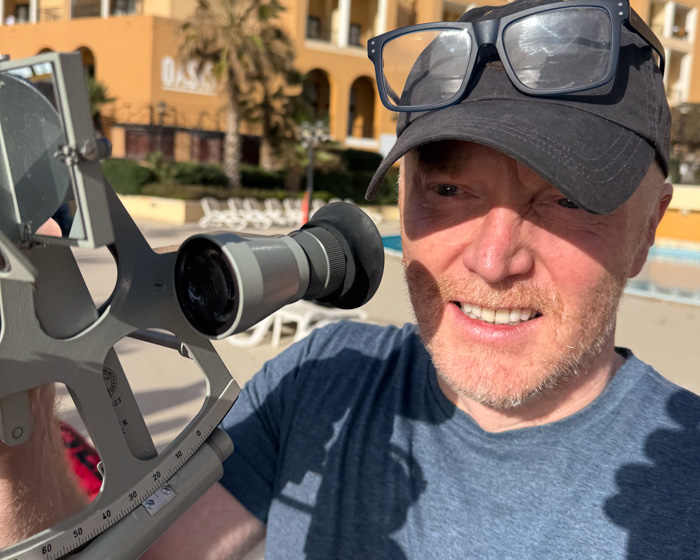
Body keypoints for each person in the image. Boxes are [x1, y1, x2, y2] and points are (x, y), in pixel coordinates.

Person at [2, 0, 700, 558]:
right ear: (402, 199)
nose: (493, 261)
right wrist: (22, 408)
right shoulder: (322, 377)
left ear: (649, 227)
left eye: (567, 201)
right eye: (449, 191)